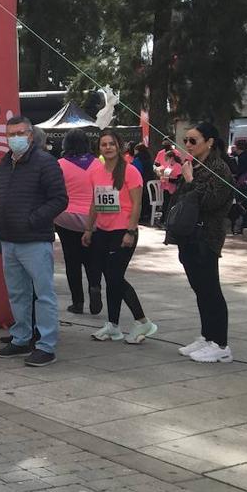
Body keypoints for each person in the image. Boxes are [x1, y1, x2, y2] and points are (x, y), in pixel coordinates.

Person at [0, 116, 68, 367]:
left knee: (43, 294)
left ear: (31, 135)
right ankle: (21, 338)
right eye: (10, 134)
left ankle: (46, 346)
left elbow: (59, 199)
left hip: (34, 240)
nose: (15, 138)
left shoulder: (46, 163)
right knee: (17, 293)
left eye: (20, 133)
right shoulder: (4, 164)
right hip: (9, 240)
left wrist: (33, 220)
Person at [83, 129, 158, 344]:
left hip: (123, 230)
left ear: (120, 146)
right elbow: (95, 203)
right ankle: (113, 326)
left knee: (115, 276)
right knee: (110, 278)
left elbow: (137, 204)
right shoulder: (95, 171)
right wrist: (88, 229)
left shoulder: (130, 171)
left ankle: (142, 321)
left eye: (111, 144)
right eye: (104, 144)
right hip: (103, 231)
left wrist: (131, 231)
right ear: (99, 147)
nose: (107, 147)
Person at [176, 122, 236, 363]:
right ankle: (207, 336)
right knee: (199, 288)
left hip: (207, 237)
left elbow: (210, 202)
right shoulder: (196, 165)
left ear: (209, 142)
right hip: (190, 236)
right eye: (186, 141)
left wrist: (190, 180)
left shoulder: (219, 168)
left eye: (193, 141)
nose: (188, 145)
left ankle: (220, 344)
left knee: (211, 290)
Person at [54, 129, 102, 315]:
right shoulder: (98, 164)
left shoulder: (60, 165)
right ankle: (95, 287)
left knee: (72, 261)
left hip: (66, 219)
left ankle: (78, 302)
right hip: (93, 219)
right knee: (92, 260)